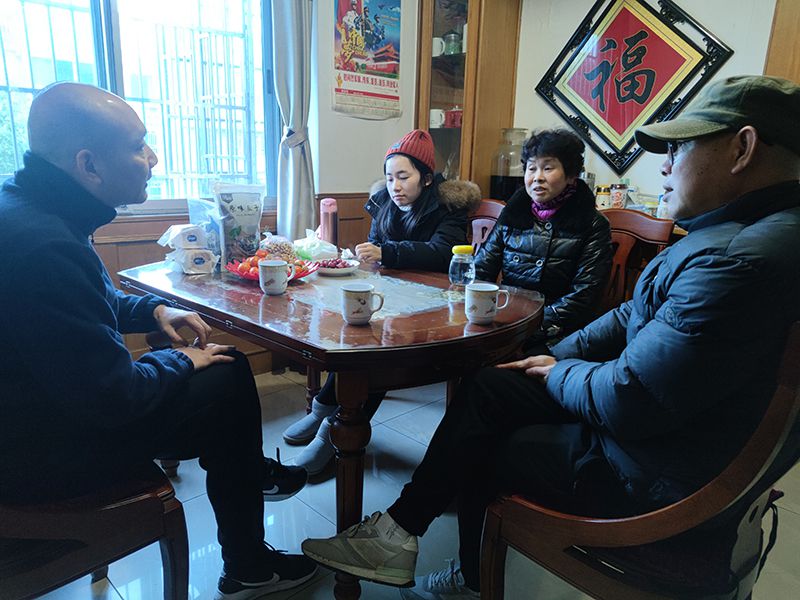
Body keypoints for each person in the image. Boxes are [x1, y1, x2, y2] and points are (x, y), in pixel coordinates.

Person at [300, 75, 800, 599]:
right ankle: (400, 535)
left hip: (653, 473)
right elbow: (631, 314)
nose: (665, 166)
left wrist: (559, 369)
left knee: (487, 433)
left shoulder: (737, 260)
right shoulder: (746, 235)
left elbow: (630, 397)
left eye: (678, 149)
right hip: (669, 435)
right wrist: (555, 358)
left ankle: (464, 574)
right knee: (492, 385)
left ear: (742, 148)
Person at [0, 82, 317, 598]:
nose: (152, 158)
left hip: (33, 420)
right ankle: (248, 562)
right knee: (227, 372)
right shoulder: (46, 244)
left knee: (217, 376)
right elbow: (114, 395)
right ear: (89, 165)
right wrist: (184, 361)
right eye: (138, 146)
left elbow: (84, 305)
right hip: (40, 459)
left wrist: (153, 308)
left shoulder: (27, 210)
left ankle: (245, 471)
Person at [283, 129, 480, 475]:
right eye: (390, 178)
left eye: (404, 176)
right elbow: (375, 249)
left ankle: (331, 433)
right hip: (392, 297)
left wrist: (387, 252)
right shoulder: (384, 203)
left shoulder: (448, 206)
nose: (395, 186)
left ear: (427, 178)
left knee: (375, 352)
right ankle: (322, 411)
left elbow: (441, 253)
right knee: (352, 336)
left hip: (433, 309)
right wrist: (368, 254)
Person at [474, 128, 612, 352]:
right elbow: (481, 270)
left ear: (571, 175)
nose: (537, 177)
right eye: (531, 168)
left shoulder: (592, 224)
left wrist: (531, 326)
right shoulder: (513, 213)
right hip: (507, 320)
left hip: (559, 331)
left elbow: (584, 297)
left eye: (548, 168)